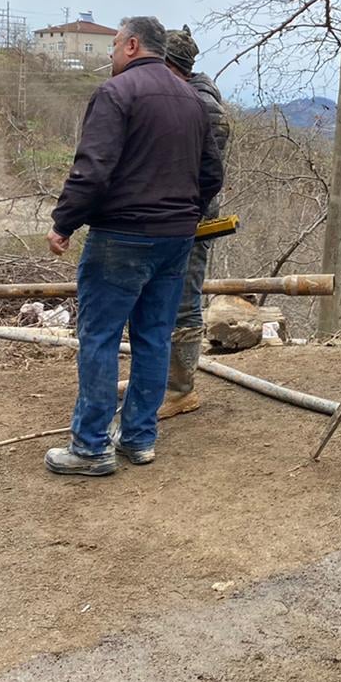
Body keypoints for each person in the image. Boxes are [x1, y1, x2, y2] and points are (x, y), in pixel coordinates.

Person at [43, 15, 223, 476]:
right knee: (154, 338)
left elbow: (93, 167)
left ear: (132, 45)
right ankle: (139, 439)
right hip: (175, 239)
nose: (109, 54)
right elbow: (211, 174)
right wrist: (185, 213)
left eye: (114, 45)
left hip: (121, 236)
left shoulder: (116, 93)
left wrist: (64, 221)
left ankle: (90, 447)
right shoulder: (193, 99)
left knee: (100, 338)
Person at [158, 25, 231, 417]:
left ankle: (181, 390)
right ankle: (157, 379)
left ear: (173, 66)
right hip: (167, 218)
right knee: (156, 301)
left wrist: (183, 213)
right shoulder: (181, 96)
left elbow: (206, 173)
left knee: (184, 303)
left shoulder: (204, 107)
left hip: (193, 220)